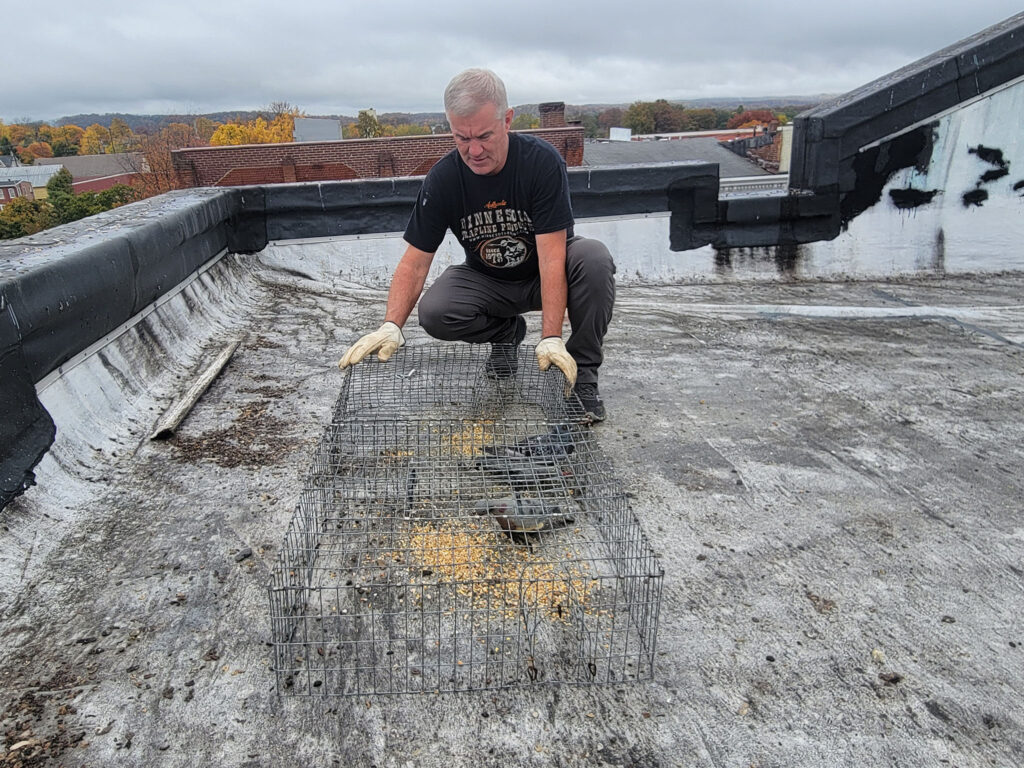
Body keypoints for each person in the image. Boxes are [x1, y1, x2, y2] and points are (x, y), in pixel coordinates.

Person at [338, 68, 615, 422]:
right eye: (461, 139)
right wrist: (391, 324)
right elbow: (416, 261)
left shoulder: (540, 162)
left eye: (484, 136)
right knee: (435, 311)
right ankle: (506, 334)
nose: (474, 150)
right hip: (489, 279)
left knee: (593, 259)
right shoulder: (444, 179)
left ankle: (583, 379)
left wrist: (551, 336)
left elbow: (551, 254)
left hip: (546, 271)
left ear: (507, 120)